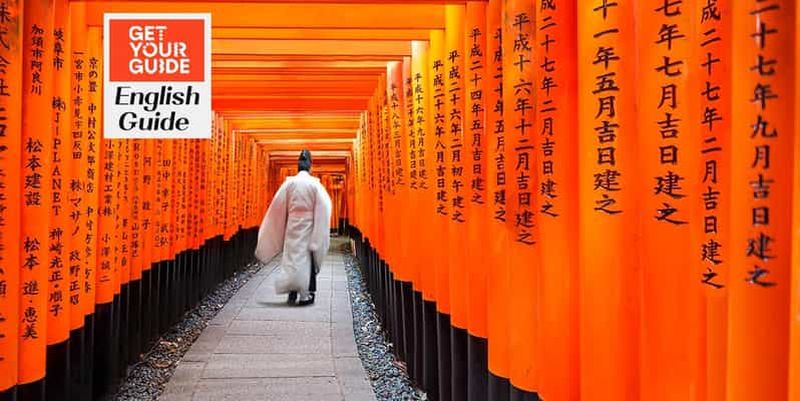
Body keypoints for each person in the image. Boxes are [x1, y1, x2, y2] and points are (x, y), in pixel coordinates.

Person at [254, 150, 332, 306]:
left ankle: (292, 292)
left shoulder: (289, 183)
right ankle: (305, 294)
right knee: (306, 258)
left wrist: (278, 226)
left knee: (291, 258)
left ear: (298, 166)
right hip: (309, 224)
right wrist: (319, 228)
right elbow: (325, 206)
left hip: (292, 224)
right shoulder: (314, 184)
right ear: (310, 166)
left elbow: (277, 205)